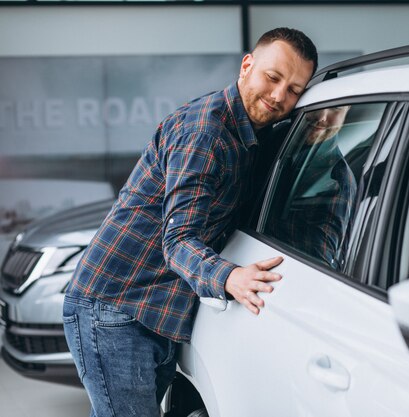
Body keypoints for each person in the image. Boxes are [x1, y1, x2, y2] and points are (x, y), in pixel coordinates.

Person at [62, 27, 317, 417]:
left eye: (295, 89)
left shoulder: (255, 134)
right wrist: (228, 277)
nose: (280, 95)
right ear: (247, 65)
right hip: (114, 308)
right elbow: (178, 240)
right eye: (273, 77)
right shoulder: (206, 132)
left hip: (154, 310)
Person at [266, 106, 356, 268]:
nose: (322, 117)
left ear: (346, 111)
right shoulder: (276, 136)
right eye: (320, 107)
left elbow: (316, 265)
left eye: (336, 109)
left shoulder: (337, 181)